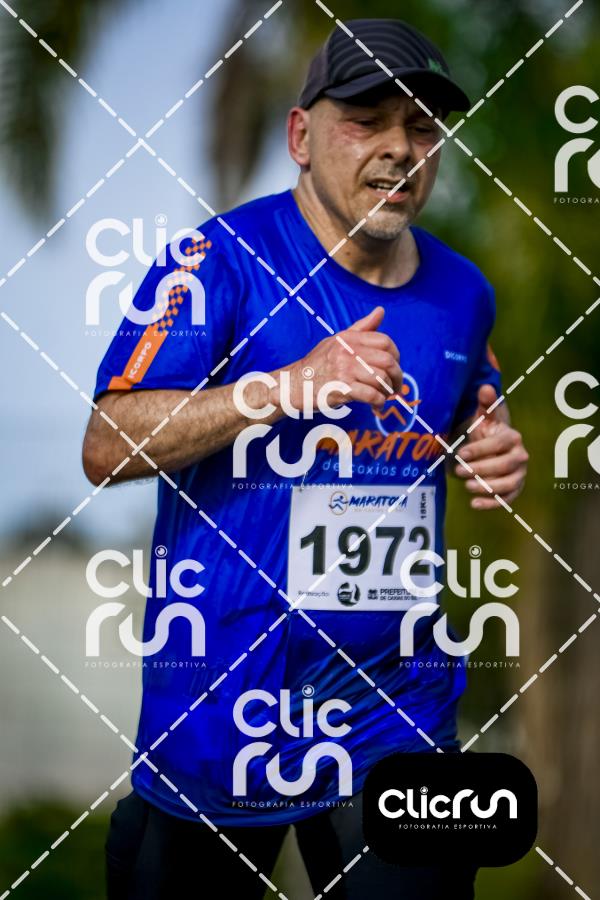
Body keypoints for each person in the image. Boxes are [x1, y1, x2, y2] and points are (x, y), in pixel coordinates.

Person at [83, 17, 528, 900]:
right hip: (220, 717)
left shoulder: (463, 291)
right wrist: (286, 386)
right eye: (367, 119)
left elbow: (473, 411)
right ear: (300, 136)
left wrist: (491, 452)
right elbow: (107, 442)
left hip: (396, 718)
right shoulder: (214, 264)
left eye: (422, 127)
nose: (400, 148)